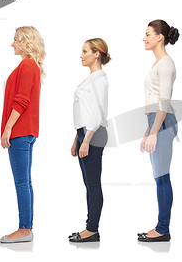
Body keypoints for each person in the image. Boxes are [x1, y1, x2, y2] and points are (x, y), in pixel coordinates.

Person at [0, 26, 46, 243]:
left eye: (16, 39)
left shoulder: (27, 65)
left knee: (21, 181)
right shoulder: (30, 66)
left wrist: (8, 128)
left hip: (20, 132)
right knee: (24, 181)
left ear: (26, 42)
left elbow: (22, 100)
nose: (12, 43)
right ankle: (26, 228)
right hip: (26, 131)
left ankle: (24, 229)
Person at [138, 20, 179, 243]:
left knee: (162, 178)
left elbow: (164, 101)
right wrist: (148, 131)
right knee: (159, 177)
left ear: (159, 37)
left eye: (147, 34)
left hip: (163, 121)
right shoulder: (158, 63)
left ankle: (163, 229)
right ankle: (161, 226)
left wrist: (154, 132)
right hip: (157, 120)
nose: (144, 38)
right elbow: (155, 103)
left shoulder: (166, 64)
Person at [69, 38, 110, 243]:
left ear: (97, 54)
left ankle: (92, 229)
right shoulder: (91, 79)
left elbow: (96, 112)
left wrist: (87, 140)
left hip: (94, 134)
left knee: (93, 184)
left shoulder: (100, 79)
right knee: (89, 184)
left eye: (85, 51)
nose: (81, 55)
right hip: (85, 134)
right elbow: (83, 112)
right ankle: (89, 227)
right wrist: (77, 138)